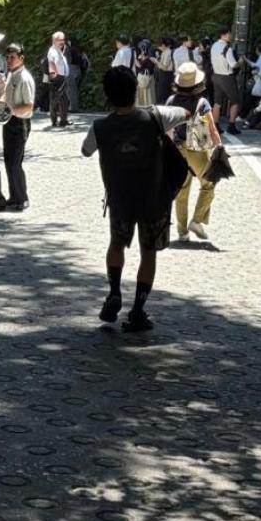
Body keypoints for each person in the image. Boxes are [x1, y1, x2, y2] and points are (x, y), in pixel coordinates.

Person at [81, 67, 190, 333]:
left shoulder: (101, 127)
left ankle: (114, 292)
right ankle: (138, 309)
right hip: (154, 199)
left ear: (108, 95)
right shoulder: (155, 117)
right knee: (148, 252)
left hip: (120, 199)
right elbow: (186, 114)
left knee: (116, 244)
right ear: (135, 89)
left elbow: (85, 151)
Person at [167, 62, 223, 243]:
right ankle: (197, 221)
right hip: (196, 150)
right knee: (209, 184)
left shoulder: (170, 101)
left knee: (182, 191)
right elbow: (212, 128)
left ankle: (182, 232)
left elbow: (165, 130)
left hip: (176, 150)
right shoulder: (202, 102)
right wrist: (219, 147)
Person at [1, 43, 36, 211]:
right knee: (8, 160)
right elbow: (7, 94)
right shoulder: (12, 74)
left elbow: (29, 106)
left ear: (21, 58)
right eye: (7, 57)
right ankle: (14, 196)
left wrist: (11, 111)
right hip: (9, 121)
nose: (9, 60)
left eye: (12, 57)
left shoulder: (24, 78)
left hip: (19, 122)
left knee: (15, 161)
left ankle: (22, 197)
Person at [210, 27, 242, 135]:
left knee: (217, 102)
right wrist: (240, 61)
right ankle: (231, 126)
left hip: (216, 76)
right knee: (235, 101)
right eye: (229, 34)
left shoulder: (214, 46)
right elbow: (233, 65)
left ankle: (215, 126)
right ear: (223, 35)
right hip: (227, 77)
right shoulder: (227, 49)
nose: (230, 36)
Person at [47, 31, 71, 128]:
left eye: (63, 40)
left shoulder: (59, 50)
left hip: (62, 77)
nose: (62, 42)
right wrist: (55, 76)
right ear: (55, 40)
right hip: (57, 78)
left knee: (64, 100)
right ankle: (54, 121)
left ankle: (63, 120)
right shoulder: (52, 51)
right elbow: (52, 64)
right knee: (55, 100)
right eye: (60, 40)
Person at [66, 37, 89, 113]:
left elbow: (67, 60)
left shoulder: (69, 49)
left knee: (71, 90)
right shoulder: (80, 50)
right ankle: (75, 106)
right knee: (75, 90)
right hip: (78, 70)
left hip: (70, 70)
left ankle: (73, 107)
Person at [135, 39, 157, 107]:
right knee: (149, 97)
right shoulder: (150, 55)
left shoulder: (149, 57)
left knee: (144, 97)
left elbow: (148, 68)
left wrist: (139, 65)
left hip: (144, 78)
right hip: (148, 78)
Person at [154, 37, 176, 104]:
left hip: (166, 75)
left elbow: (164, 67)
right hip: (163, 74)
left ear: (163, 45)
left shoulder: (168, 52)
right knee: (161, 94)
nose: (159, 48)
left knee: (164, 94)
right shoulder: (164, 52)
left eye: (159, 46)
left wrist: (156, 62)